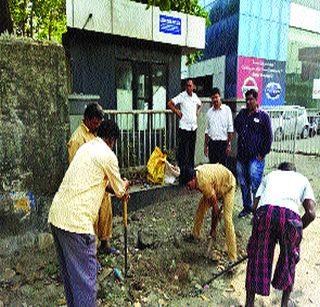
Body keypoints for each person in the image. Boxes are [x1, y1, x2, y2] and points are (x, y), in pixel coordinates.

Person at [48, 120, 129, 307]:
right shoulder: (108, 155)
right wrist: (124, 184)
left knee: (71, 280)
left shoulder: (86, 148)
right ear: (112, 140)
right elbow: (120, 191)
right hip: (77, 224)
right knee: (85, 283)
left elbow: (96, 182)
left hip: (57, 217)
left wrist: (115, 188)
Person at [245, 162, 316, 307]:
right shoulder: (302, 179)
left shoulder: (270, 176)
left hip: (266, 212)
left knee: (257, 258)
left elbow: (254, 206)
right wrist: (297, 229)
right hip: (290, 216)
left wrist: (263, 231)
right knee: (289, 259)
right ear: (293, 172)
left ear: (279, 170)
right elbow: (311, 213)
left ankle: (249, 304)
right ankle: (284, 304)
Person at [68, 102, 114, 254]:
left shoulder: (96, 134)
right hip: (88, 186)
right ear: (87, 119)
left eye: (100, 122)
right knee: (91, 220)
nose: (98, 125)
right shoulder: (77, 139)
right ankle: (91, 254)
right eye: (96, 122)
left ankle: (105, 242)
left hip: (101, 182)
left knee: (105, 212)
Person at [185, 164, 237, 261]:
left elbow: (215, 209)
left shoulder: (203, 183)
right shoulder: (196, 174)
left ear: (193, 179)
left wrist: (213, 229)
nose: (188, 188)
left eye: (188, 185)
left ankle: (233, 257)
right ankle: (195, 235)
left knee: (227, 219)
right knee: (200, 209)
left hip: (229, 185)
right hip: (217, 185)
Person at [234, 89, 273, 218]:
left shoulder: (263, 116)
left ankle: (258, 211)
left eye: (251, 99)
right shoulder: (243, 114)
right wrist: (243, 114)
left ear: (257, 100)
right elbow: (236, 125)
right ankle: (247, 207)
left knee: (255, 183)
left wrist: (263, 153)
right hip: (242, 156)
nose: (248, 102)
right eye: (247, 99)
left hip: (256, 157)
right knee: (243, 183)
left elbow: (269, 137)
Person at [167, 79, 202, 184]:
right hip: (184, 128)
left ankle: (191, 177)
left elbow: (200, 104)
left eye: (190, 86)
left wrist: (197, 112)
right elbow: (170, 103)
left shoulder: (195, 97)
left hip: (193, 128)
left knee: (191, 153)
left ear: (194, 87)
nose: (188, 87)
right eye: (187, 85)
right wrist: (176, 111)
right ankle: (182, 178)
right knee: (183, 154)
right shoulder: (182, 96)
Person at [204, 87, 234, 166]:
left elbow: (230, 129)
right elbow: (207, 130)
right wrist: (205, 146)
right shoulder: (209, 112)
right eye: (213, 98)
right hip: (212, 144)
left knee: (222, 169)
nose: (215, 100)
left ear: (220, 97)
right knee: (213, 169)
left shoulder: (227, 110)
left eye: (216, 97)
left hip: (223, 144)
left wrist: (229, 144)